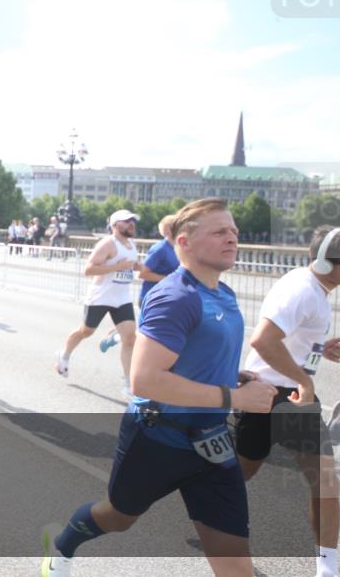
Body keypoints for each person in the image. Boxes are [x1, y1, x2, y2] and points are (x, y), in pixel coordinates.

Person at [41, 198, 276, 577]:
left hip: (213, 442)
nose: (232, 238)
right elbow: (145, 379)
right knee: (117, 517)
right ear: (183, 242)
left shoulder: (225, 293)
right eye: (220, 232)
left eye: (234, 231)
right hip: (159, 439)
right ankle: (64, 544)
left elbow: (199, 356)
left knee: (234, 561)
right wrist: (235, 397)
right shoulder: (175, 297)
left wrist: (235, 377)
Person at [236, 225, 340, 577]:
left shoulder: (314, 285)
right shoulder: (303, 291)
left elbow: (286, 337)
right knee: (239, 472)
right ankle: (207, 513)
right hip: (270, 392)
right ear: (331, 265)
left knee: (326, 479)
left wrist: (318, 349)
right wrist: (303, 379)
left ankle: (328, 566)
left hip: (287, 394)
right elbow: (263, 341)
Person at [55, 209, 142, 398]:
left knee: (130, 339)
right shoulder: (108, 244)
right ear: (115, 225)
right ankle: (65, 354)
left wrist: (139, 267)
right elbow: (89, 269)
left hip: (122, 298)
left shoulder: (131, 244)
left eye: (133, 221)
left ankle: (129, 384)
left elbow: (132, 265)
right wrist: (118, 266)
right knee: (86, 332)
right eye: (127, 221)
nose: (131, 224)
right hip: (100, 297)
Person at [101, 214, 179, 353]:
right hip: (152, 297)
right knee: (148, 335)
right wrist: (168, 279)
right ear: (168, 231)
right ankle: (117, 339)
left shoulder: (178, 248)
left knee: (154, 333)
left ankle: (117, 335)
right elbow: (143, 273)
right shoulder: (160, 249)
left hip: (169, 298)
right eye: (178, 226)